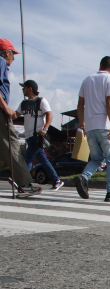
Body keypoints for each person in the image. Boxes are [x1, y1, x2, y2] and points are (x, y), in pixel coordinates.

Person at [75, 56, 110, 202]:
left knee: (96, 158)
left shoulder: (87, 80)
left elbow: (80, 104)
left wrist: (82, 122)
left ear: (100, 65)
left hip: (89, 127)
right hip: (104, 126)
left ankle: (84, 177)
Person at [0, 39, 41, 197]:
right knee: (12, 144)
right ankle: (24, 183)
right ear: (7, 53)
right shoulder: (1, 62)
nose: (13, 58)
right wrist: (6, 108)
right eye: (13, 54)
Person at [14, 80, 63, 191]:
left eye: (24, 87)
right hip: (28, 136)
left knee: (27, 158)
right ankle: (57, 180)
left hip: (37, 136)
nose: (22, 89)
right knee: (43, 160)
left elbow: (49, 115)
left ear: (30, 88)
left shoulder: (41, 101)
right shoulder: (24, 103)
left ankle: (24, 183)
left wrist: (45, 128)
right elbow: (15, 115)